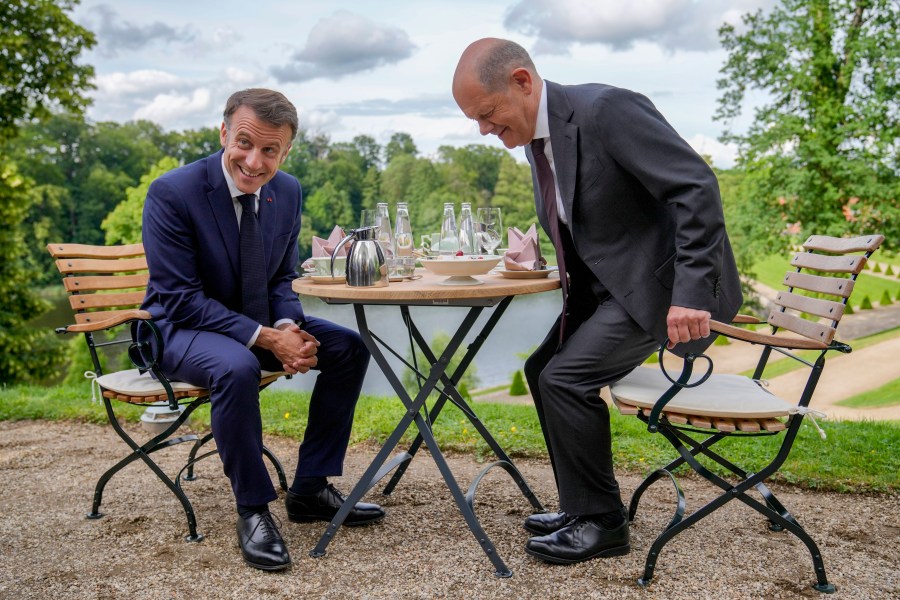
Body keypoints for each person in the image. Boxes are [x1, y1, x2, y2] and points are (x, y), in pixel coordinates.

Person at [452, 39, 742, 565]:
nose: (484, 130)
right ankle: (579, 506)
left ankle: (604, 523)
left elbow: (696, 187)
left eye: (487, 114)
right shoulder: (541, 142)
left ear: (522, 81)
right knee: (545, 367)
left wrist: (691, 293)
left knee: (566, 379)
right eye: (475, 119)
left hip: (661, 291)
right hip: (609, 290)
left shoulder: (605, 109)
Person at [141, 88, 384, 572]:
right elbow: (180, 299)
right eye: (245, 143)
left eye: (270, 150)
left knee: (348, 347)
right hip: (180, 328)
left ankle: (310, 488)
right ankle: (253, 510)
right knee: (236, 366)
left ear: (286, 151)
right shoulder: (172, 192)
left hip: (254, 320)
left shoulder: (287, 191)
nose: (254, 161)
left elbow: (279, 278)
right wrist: (266, 338)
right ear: (224, 133)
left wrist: (289, 325)